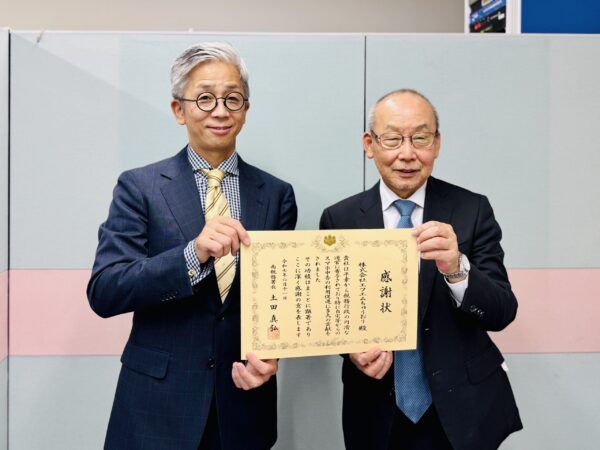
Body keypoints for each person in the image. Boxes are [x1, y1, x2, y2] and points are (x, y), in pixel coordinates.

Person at [87, 42, 297, 450]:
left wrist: (271, 354)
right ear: (178, 110)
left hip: (242, 404)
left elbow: (279, 299)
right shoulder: (140, 187)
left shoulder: (275, 194)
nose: (220, 111)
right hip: (156, 408)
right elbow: (105, 290)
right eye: (204, 98)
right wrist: (192, 255)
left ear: (246, 109)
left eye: (232, 98)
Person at [320, 89, 522, 450]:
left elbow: (501, 312)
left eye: (421, 138)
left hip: (461, 409)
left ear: (437, 144)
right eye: (393, 139)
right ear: (369, 144)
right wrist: (351, 349)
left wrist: (457, 268)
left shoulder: (471, 210)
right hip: (375, 407)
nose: (407, 153)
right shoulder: (341, 218)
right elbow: (332, 313)